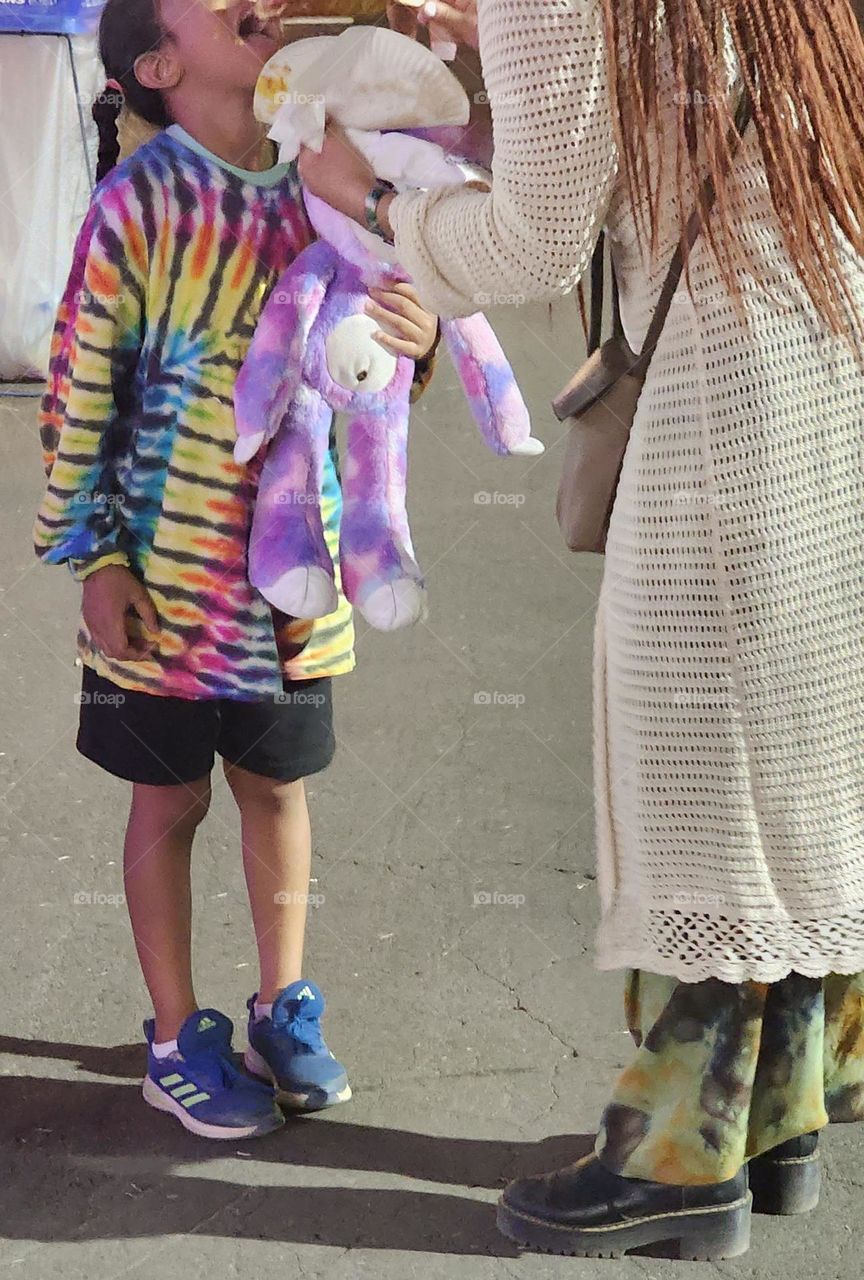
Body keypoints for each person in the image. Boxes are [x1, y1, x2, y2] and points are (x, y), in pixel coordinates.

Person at [299, 0, 864, 1258]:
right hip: (834, 373)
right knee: (795, 759)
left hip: (728, 410)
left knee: (696, 776)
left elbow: (539, 233)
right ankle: (781, 1116)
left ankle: (678, 1157)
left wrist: (373, 197)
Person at [34, 0, 439, 1141]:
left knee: (279, 787)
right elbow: (78, 386)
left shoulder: (323, 183)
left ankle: (282, 1002)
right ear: (160, 66)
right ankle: (175, 1035)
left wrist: (418, 345)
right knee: (168, 796)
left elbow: (368, 353)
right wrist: (95, 550)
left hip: (295, 581)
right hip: (163, 583)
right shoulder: (138, 202)